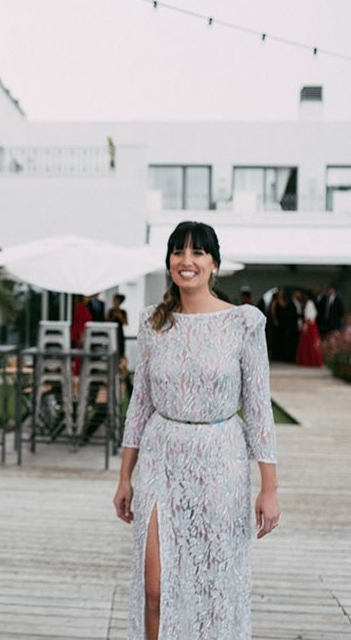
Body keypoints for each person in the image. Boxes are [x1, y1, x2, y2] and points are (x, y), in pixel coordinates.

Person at [112, 221, 279, 640]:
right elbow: (140, 402)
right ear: (169, 262)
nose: (187, 261)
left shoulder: (243, 323)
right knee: (155, 588)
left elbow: (259, 407)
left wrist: (269, 488)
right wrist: (123, 477)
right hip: (160, 456)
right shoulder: (153, 322)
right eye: (178, 252)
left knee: (211, 586)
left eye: (198, 252)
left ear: (214, 264)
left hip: (220, 460)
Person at [296, 291, 323, 367]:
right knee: (312, 342)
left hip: (309, 325)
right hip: (312, 325)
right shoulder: (311, 303)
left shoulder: (309, 303)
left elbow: (309, 316)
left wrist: (306, 325)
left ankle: (309, 360)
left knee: (308, 343)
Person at [106, 293, 128, 358]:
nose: (115, 302)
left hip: (120, 332)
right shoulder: (110, 311)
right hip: (112, 332)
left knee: (121, 350)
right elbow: (107, 322)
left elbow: (126, 323)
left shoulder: (123, 312)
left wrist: (120, 317)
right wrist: (113, 317)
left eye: (116, 301)